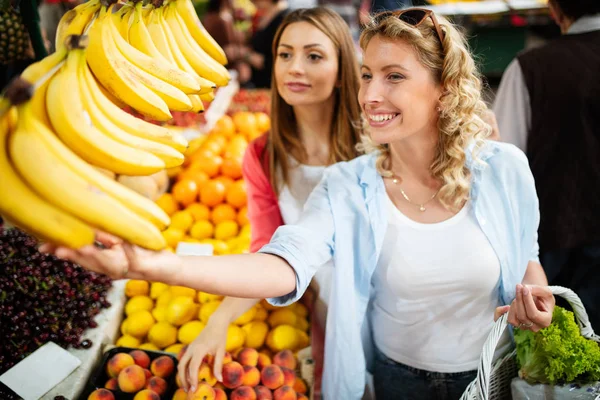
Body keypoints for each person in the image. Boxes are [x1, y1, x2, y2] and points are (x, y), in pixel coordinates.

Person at [42, 8, 556, 400]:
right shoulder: (346, 186)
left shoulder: (504, 169)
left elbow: (524, 253)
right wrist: (147, 264)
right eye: (368, 75)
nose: (371, 93)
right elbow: (282, 262)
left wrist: (535, 294)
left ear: (444, 90)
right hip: (395, 372)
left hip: (495, 369)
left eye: (394, 76)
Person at [184, 6, 364, 397]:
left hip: (392, 306)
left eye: (313, 56)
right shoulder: (263, 155)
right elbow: (266, 249)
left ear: (341, 68)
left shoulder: (373, 142)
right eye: (285, 54)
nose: (294, 67)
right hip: (325, 306)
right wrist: (219, 320)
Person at [493, 0, 600, 329]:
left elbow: (501, 166)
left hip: (558, 247)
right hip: (564, 253)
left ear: (554, 10)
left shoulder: (530, 68)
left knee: (563, 364)